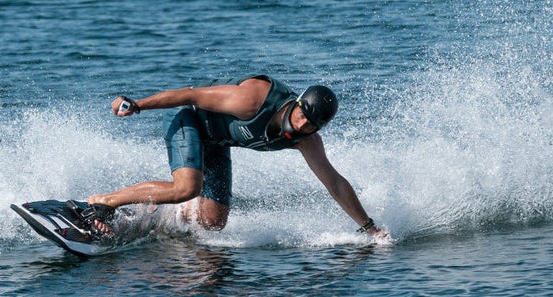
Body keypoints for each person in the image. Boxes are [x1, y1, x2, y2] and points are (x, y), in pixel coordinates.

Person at [85, 75, 388, 238]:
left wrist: (368, 227)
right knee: (186, 188)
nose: (302, 126)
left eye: (311, 125)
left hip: (216, 142)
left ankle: (147, 216)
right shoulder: (252, 99)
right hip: (188, 119)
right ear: (297, 103)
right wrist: (137, 105)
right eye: (302, 117)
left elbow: (334, 183)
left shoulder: (306, 140)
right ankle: (102, 203)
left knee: (213, 223)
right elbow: (190, 94)